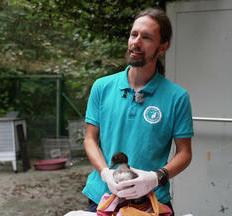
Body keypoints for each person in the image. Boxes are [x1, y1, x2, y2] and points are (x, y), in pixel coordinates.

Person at [82, 8, 194, 215]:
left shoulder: (177, 97)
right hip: (104, 197)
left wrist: (155, 177)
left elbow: (185, 153)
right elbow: (90, 139)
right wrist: (105, 173)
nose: (136, 42)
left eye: (147, 37)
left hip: (152, 200)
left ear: (162, 47)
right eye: (134, 34)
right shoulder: (102, 87)